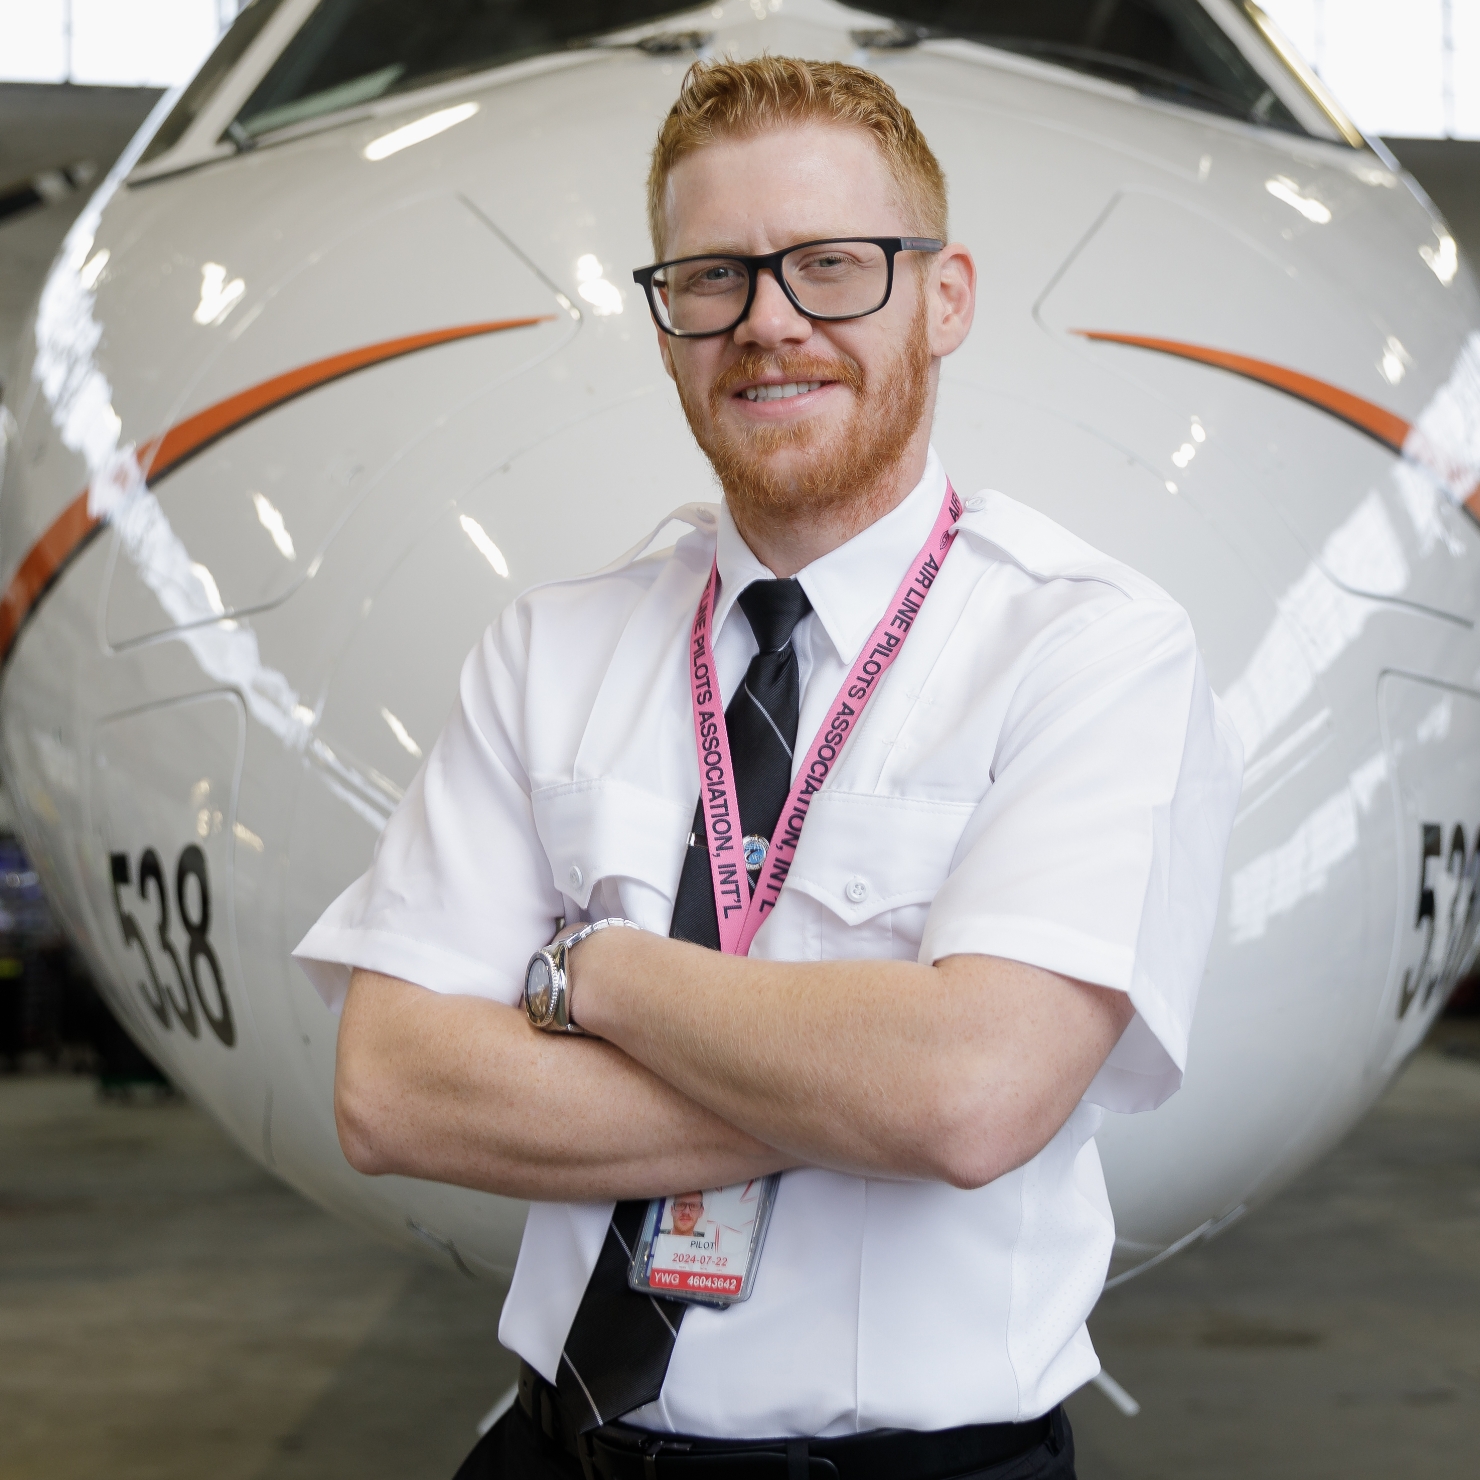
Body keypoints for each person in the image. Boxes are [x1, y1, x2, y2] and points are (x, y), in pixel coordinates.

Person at [295, 56, 1243, 1480]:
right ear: (668, 323)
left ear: (946, 295)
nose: (771, 322)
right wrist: (855, 1083)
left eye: (833, 266)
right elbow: (392, 1088)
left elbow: (973, 1098)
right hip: (556, 1451)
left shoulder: (1090, 651)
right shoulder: (551, 646)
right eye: (713, 278)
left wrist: (590, 976)